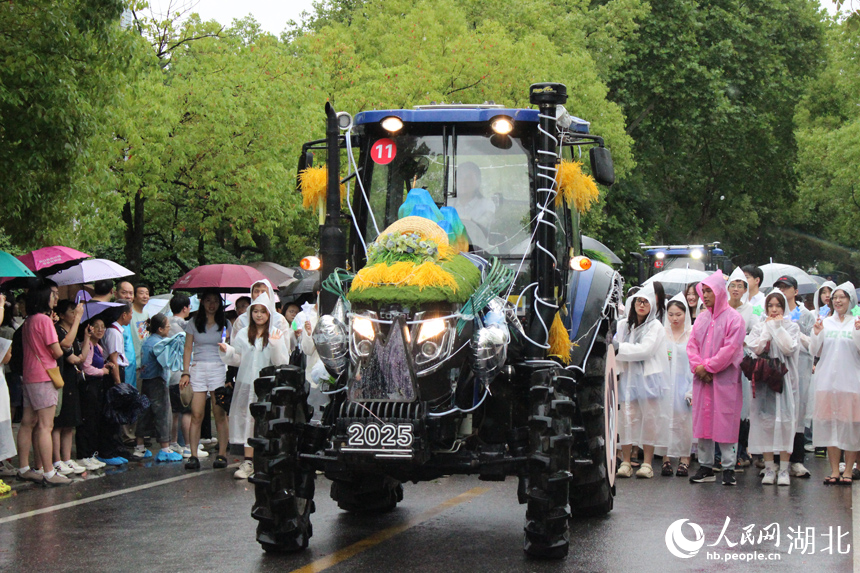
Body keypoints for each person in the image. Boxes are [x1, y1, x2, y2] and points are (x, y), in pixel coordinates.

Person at [219, 292, 292, 479]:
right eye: (255, 311)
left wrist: (276, 345)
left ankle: (265, 461)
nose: (258, 315)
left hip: (266, 385)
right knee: (246, 420)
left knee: (265, 421)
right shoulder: (244, 334)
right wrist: (227, 352)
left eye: (263, 312)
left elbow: (282, 361)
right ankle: (248, 461)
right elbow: (238, 359)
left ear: (269, 314)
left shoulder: (275, 332)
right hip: (246, 383)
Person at [686, 271, 746, 486]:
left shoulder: (734, 319)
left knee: (725, 421)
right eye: (704, 291)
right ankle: (705, 465)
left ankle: (728, 467)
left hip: (724, 380)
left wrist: (708, 368)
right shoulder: (702, 318)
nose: (706, 295)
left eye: (710, 290)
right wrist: (698, 367)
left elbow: (731, 349)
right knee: (704, 421)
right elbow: (691, 345)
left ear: (720, 291)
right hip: (703, 379)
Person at [614, 285, 670, 479]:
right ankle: (626, 462)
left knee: (650, 420)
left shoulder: (656, 327)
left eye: (646, 301)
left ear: (652, 305)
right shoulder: (623, 325)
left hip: (649, 378)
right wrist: (621, 348)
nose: (642, 305)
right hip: (627, 377)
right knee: (627, 418)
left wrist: (620, 348)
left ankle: (647, 463)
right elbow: (614, 347)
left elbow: (645, 350)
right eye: (639, 301)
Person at [16, 283, 69, 486]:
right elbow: (56, 351)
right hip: (45, 375)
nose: (55, 298)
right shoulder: (44, 321)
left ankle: (23, 468)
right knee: (46, 425)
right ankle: (48, 471)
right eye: (52, 295)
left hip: (30, 376)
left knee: (27, 423)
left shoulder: (28, 321)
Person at [745, 291, 799, 486]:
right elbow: (756, 348)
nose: (774, 309)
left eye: (778, 305)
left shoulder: (792, 326)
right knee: (765, 422)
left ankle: (784, 468)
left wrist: (777, 327)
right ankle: (769, 467)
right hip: (764, 382)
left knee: (785, 422)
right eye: (771, 306)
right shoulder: (760, 326)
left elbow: (789, 348)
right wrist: (768, 329)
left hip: (785, 381)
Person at [811, 282, 860, 485]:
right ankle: (834, 470)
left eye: (842, 297)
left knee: (850, 427)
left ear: (850, 300)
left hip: (850, 383)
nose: (838, 301)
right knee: (830, 426)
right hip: (826, 383)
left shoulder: (855, 322)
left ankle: (848, 470)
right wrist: (816, 333)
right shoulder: (826, 322)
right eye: (835, 298)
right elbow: (815, 351)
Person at [180, 290, 230, 470]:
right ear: (202, 302)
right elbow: (188, 348)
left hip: (218, 368)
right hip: (198, 368)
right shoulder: (194, 322)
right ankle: (193, 455)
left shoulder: (225, 323)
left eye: (215, 301)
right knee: (197, 414)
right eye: (208, 300)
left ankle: (222, 454)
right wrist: (186, 372)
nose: (212, 304)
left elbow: (230, 349)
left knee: (219, 414)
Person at [774, 275, 815, 479]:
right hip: (778, 371)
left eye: (786, 287)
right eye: (779, 287)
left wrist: (795, 333)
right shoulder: (772, 312)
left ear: (795, 291)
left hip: (800, 368)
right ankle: (774, 461)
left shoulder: (805, 315)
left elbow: (813, 344)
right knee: (777, 413)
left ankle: (797, 460)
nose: (782, 290)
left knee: (797, 413)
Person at [134, 314, 183, 462]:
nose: (169, 329)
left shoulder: (148, 341)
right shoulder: (159, 344)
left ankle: (139, 447)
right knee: (162, 414)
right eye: (167, 326)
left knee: (144, 412)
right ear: (160, 329)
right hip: (158, 381)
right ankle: (165, 448)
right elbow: (166, 362)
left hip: (146, 381)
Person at [658, 294, 694, 477]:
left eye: (678, 314)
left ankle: (684, 459)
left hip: (684, 382)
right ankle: (665, 459)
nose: (674, 318)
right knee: (665, 419)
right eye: (671, 314)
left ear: (685, 314)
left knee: (684, 421)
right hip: (665, 383)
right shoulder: (661, 333)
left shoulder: (692, 333)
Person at [51, 300, 87, 475]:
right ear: (62, 315)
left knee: (69, 422)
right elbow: (68, 351)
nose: (75, 314)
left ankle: (66, 459)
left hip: (72, 379)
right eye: (71, 312)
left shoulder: (71, 332)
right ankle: (56, 460)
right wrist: (79, 319)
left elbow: (80, 357)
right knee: (59, 422)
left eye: (76, 311)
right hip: (60, 379)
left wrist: (87, 338)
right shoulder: (58, 331)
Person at [77, 318, 119, 467]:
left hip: (98, 387)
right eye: (97, 327)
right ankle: (84, 454)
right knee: (87, 420)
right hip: (89, 387)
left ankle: (91, 452)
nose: (100, 330)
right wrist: (102, 371)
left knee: (95, 420)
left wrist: (106, 365)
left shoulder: (99, 347)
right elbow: (86, 367)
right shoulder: (87, 345)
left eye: (103, 327)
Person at [726, 267, 756, 470]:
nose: (736, 289)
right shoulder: (722, 308)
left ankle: (742, 449)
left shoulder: (750, 310)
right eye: (733, 285)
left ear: (745, 289)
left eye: (740, 286)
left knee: (743, 406)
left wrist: (741, 342)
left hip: (742, 360)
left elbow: (754, 334)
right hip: (724, 360)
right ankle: (725, 451)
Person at [166, 294, 193, 456]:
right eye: (189, 307)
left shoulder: (165, 323)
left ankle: (173, 442)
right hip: (184, 372)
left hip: (169, 373)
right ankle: (189, 445)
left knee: (174, 411)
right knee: (187, 411)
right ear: (184, 308)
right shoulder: (187, 325)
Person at [453, 161, 495, 229]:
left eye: (468, 177)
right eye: (460, 177)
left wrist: (468, 221)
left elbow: (481, 226)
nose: (463, 181)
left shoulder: (487, 205)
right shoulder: (447, 204)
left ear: (478, 181)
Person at [115, 281, 137, 388]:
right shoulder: (114, 317)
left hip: (132, 367)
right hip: (121, 369)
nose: (128, 296)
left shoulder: (130, 316)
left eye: (131, 293)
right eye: (124, 293)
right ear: (115, 294)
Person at [104, 302, 133, 385]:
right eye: (131, 313)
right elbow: (114, 359)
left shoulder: (117, 331)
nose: (131, 317)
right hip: (114, 371)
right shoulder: (114, 332)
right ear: (124, 315)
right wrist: (118, 382)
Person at [131, 284, 150, 375]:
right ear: (134, 296)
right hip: (131, 361)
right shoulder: (129, 312)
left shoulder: (146, 313)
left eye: (147, 293)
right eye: (141, 293)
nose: (145, 296)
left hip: (144, 362)